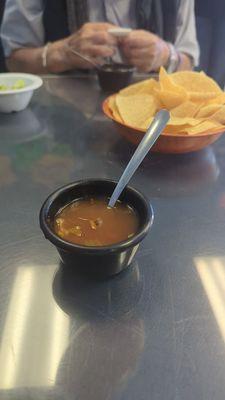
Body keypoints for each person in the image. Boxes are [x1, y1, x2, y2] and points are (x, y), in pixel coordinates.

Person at [1, 0, 199, 74]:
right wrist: (61, 54)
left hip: (151, 120)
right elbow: (14, 61)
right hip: (61, 126)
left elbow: (188, 63)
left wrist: (164, 55)